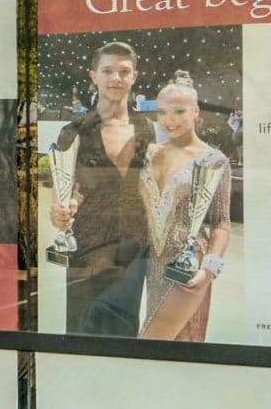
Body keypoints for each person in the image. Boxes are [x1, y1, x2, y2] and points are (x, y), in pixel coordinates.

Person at [49, 41, 151, 334]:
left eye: (124, 71)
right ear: (93, 76)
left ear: (134, 76)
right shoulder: (73, 131)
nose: (115, 78)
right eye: (107, 71)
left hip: (134, 248)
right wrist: (59, 213)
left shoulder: (146, 128)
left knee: (123, 334)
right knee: (82, 331)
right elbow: (61, 192)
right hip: (88, 248)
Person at [139, 72, 233, 342]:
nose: (169, 120)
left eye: (179, 111)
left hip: (190, 266)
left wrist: (209, 270)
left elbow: (221, 221)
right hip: (153, 263)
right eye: (162, 112)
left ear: (195, 111)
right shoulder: (150, 154)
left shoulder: (214, 160)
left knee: (184, 341)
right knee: (152, 345)